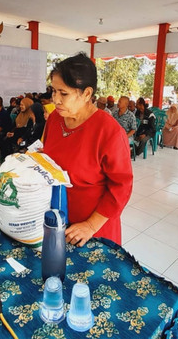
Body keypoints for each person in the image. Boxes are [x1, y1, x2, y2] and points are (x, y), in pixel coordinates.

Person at [43, 53, 132, 246]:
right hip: (55, 220)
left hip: (92, 231)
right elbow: (49, 155)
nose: (55, 100)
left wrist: (91, 226)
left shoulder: (109, 132)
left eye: (63, 93)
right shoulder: (54, 119)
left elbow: (121, 187)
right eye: (53, 91)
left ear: (86, 94)